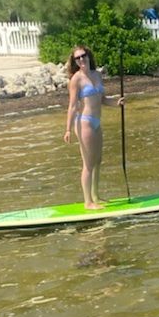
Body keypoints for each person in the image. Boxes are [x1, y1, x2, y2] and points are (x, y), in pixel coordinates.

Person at [63, 45, 125, 209]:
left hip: (97, 122)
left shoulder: (97, 75)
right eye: (78, 58)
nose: (82, 59)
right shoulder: (76, 79)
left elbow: (103, 99)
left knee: (98, 161)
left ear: (88, 56)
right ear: (75, 61)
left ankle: (96, 196)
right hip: (85, 122)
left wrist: (116, 103)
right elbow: (72, 106)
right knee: (88, 164)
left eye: (83, 56)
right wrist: (68, 129)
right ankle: (88, 202)